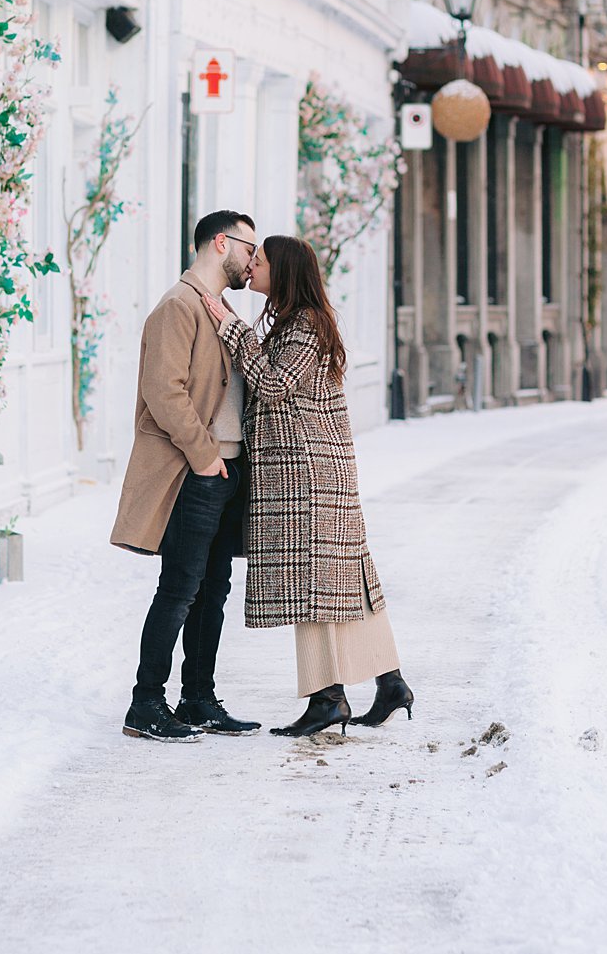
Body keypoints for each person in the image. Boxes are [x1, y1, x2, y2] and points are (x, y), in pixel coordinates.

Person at [199, 235, 411, 737]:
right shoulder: (295, 323)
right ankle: (389, 682)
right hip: (307, 470)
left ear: (285, 271)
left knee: (313, 589)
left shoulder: (306, 326)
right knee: (340, 585)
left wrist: (232, 329)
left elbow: (273, 385)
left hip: (308, 476)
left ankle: (327, 699)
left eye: (260, 259)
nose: (251, 265)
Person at [112, 210, 264, 743]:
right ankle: (145, 703)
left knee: (212, 590)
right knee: (179, 588)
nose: (254, 259)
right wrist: (204, 456)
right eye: (250, 247)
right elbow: (164, 391)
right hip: (196, 471)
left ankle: (197, 698)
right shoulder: (177, 307)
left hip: (226, 471)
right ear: (220, 243)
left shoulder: (220, 310)